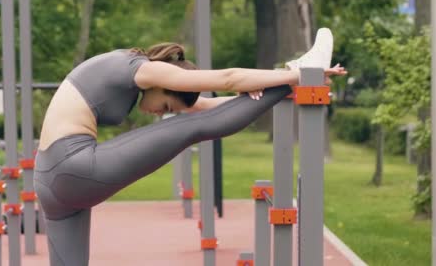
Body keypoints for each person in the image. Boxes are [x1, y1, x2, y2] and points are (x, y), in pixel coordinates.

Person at [33, 28, 347, 265]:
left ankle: (295, 75)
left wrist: (263, 89)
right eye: (167, 104)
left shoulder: (134, 71)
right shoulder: (142, 69)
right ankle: (303, 67)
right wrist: (293, 76)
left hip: (50, 183)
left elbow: (212, 108)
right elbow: (227, 78)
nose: (162, 112)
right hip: (71, 168)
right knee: (192, 130)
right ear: (162, 84)